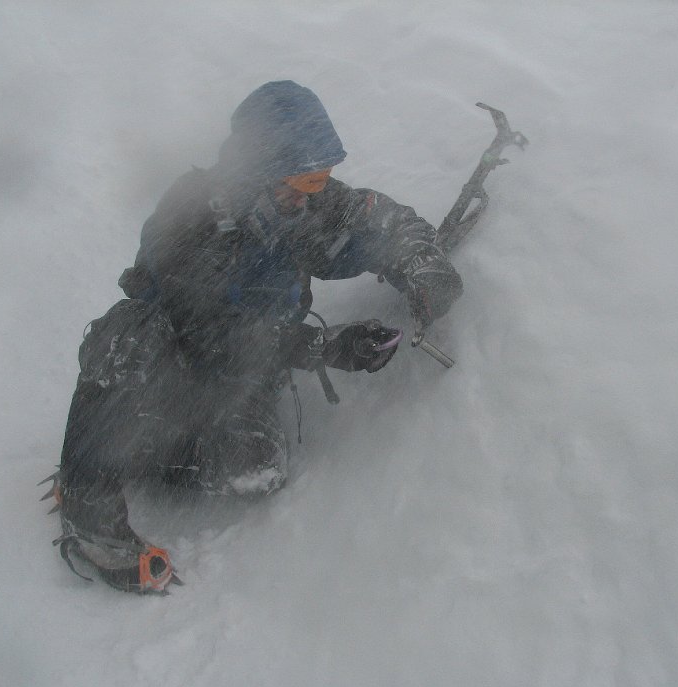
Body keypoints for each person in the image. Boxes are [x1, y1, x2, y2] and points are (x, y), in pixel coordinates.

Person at [45, 80, 463, 593]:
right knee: (124, 337)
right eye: (304, 180)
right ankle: (91, 505)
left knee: (254, 473)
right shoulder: (190, 214)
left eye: (322, 179)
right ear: (261, 169)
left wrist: (422, 265)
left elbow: (382, 221)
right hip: (173, 365)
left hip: (243, 376)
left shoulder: (302, 205)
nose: (315, 193)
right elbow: (211, 335)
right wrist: (325, 348)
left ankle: (142, 454)